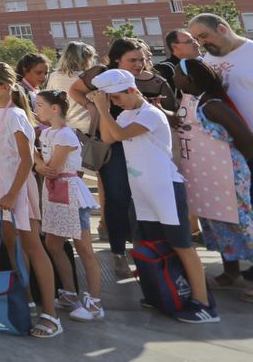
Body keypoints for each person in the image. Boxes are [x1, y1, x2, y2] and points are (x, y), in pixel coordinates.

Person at [90, 67, 218, 323]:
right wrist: (102, 110)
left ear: (131, 90)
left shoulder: (151, 114)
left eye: (116, 97)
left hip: (165, 188)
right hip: (143, 190)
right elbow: (108, 136)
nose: (114, 103)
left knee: (182, 244)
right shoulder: (126, 114)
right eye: (110, 99)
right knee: (150, 242)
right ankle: (161, 289)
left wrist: (104, 110)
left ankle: (204, 303)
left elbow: (121, 135)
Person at [69, 36, 174, 275]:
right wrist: (92, 106)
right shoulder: (102, 75)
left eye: (142, 59)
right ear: (117, 59)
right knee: (117, 197)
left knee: (143, 198)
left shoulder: (153, 81)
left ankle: (146, 250)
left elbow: (170, 110)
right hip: (112, 145)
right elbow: (75, 89)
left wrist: (157, 109)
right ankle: (119, 252)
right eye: (132, 60)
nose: (139, 64)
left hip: (143, 146)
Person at [0, 60, 60, 337]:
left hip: (17, 189)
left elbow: (26, 160)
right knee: (14, 246)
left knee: (33, 246)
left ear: (6, 86)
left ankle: (50, 313)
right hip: (1, 187)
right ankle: (23, 300)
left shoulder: (16, 116)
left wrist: (13, 194)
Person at [172, 58, 253, 302]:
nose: (173, 77)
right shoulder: (191, 102)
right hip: (207, 177)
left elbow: (245, 139)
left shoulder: (213, 106)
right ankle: (230, 271)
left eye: (177, 73)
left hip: (229, 174)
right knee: (219, 223)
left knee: (243, 224)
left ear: (189, 79)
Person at [32, 88, 105, 321]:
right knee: (54, 243)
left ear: (55, 109)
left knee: (84, 248)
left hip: (70, 194)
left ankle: (95, 303)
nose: (37, 109)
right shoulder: (46, 134)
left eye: (40, 105)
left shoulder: (65, 135)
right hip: (54, 194)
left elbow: (51, 167)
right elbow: (42, 162)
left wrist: (39, 165)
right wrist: (38, 163)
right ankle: (69, 293)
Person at [193, 12, 253, 121]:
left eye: (203, 36)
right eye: (197, 39)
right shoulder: (208, 58)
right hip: (228, 134)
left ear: (222, 29)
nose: (201, 43)